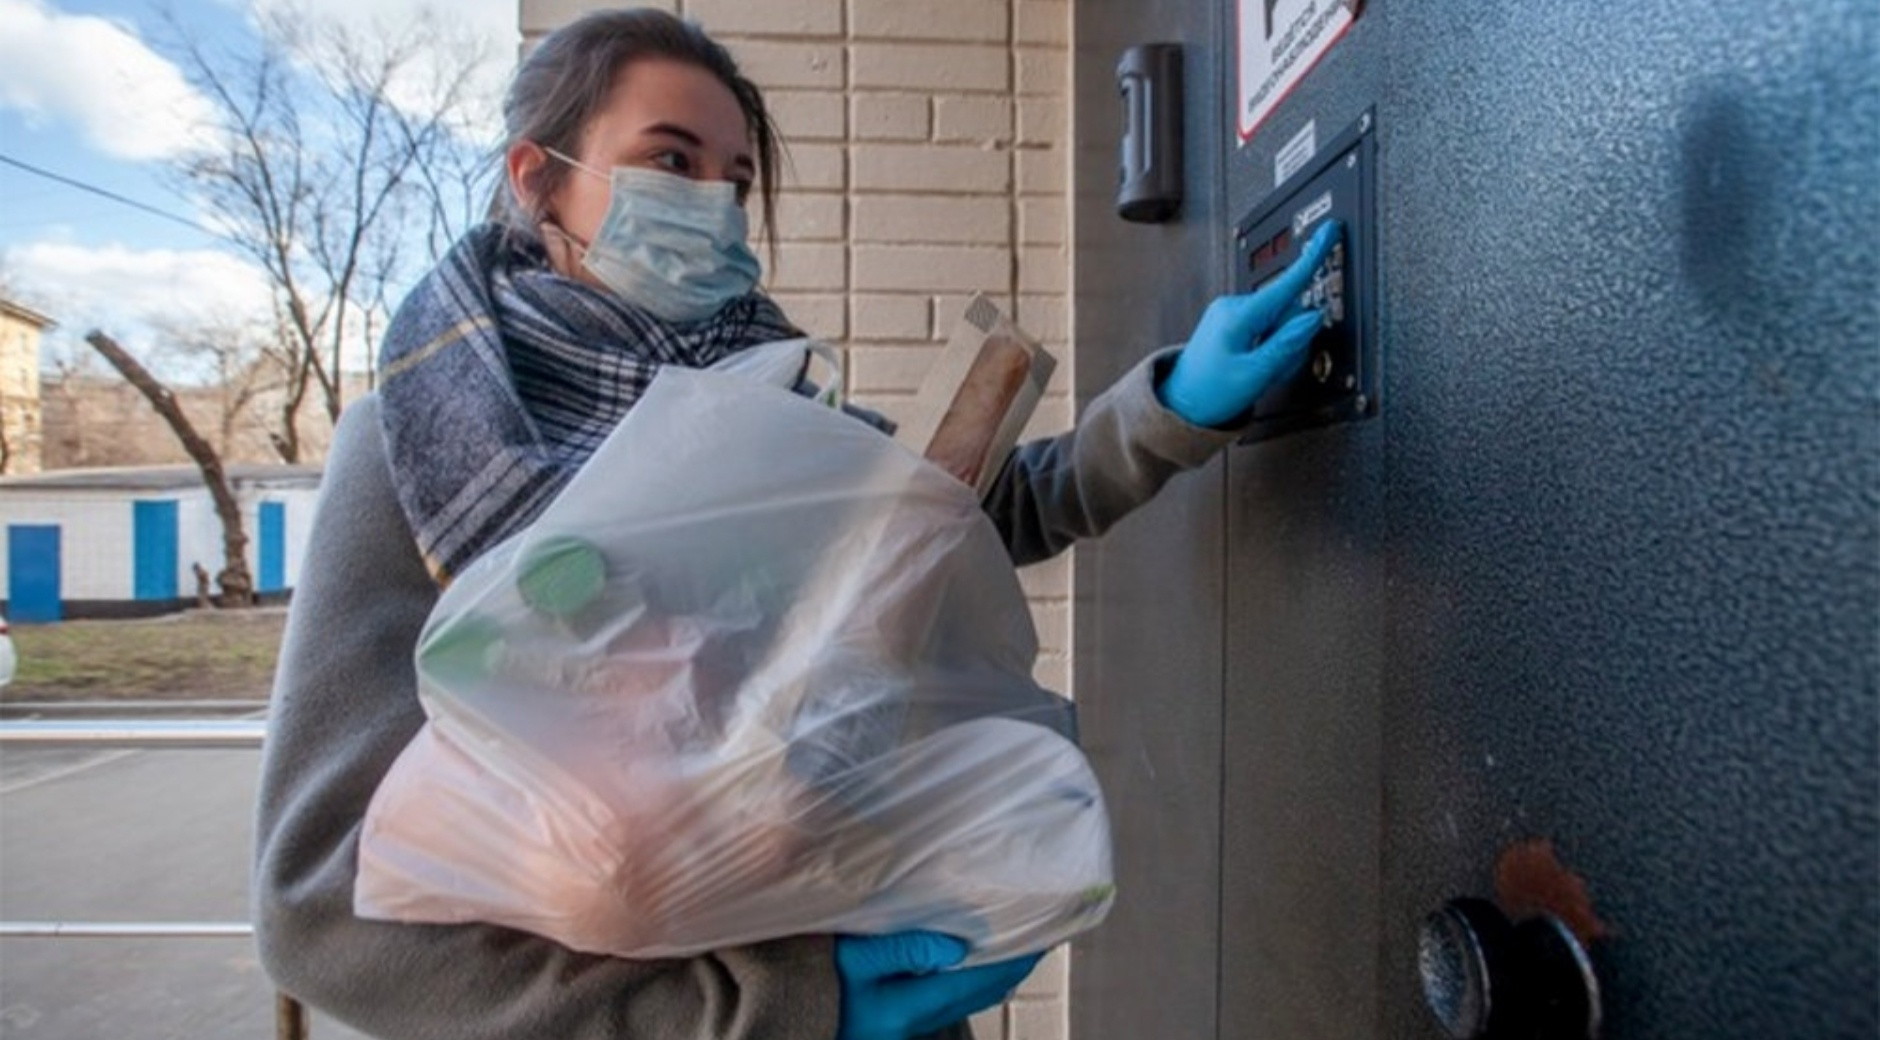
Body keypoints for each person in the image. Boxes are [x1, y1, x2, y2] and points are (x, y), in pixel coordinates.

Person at [251, 8, 1337, 1040]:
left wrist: (1168, 407)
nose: (715, 205)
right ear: (539, 177)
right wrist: (764, 1011)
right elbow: (321, 912)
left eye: (736, 179)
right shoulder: (420, 438)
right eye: (670, 160)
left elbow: (967, 512)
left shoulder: (769, 408)